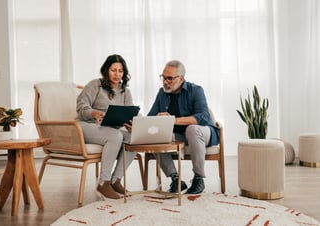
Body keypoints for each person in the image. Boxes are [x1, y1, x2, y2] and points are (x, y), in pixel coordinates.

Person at [147, 60, 220, 194]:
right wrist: (139, 125)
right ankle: (176, 179)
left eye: (169, 78)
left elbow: (203, 117)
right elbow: (151, 117)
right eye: (163, 77)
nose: (165, 82)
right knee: (156, 136)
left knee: (191, 129)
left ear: (181, 79)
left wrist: (173, 120)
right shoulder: (162, 93)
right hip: (178, 136)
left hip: (202, 132)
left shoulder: (196, 90)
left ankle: (199, 178)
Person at [76, 54, 136, 199]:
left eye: (120, 71)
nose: (117, 74)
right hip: (86, 125)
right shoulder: (95, 85)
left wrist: (133, 124)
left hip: (110, 127)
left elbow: (129, 113)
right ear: (106, 70)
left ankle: (115, 180)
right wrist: (94, 113)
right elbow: (81, 107)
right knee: (115, 136)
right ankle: (104, 182)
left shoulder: (125, 91)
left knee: (134, 138)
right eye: (113, 70)